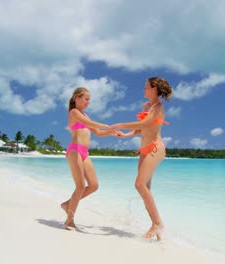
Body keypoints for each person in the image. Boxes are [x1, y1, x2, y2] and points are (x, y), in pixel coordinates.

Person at [109, 77, 173, 240]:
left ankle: (158, 223)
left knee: (139, 184)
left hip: (155, 147)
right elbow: (140, 129)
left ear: (155, 89)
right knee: (145, 190)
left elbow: (146, 123)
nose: (144, 89)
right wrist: (125, 135)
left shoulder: (158, 107)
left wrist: (120, 124)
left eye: (146, 87)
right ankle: (157, 231)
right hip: (144, 149)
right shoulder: (146, 106)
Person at [61, 87, 112, 230]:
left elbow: (98, 132)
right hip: (75, 150)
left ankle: (67, 204)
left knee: (94, 185)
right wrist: (108, 126)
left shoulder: (86, 115)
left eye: (89, 99)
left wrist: (112, 133)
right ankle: (69, 220)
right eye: (86, 99)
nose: (88, 102)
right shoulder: (74, 112)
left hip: (85, 152)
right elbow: (91, 125)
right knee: (80, 186)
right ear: (76, 98)